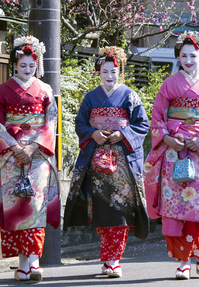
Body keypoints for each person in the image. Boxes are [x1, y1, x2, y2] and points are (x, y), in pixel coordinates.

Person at [143, 31, 199, 280]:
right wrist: (167, 138)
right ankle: (182, 261)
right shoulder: (169, 84)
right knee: (175, 207)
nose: (189, 60)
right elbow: (157, 116)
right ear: (178, 57)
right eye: (184, 56)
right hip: (175, 151)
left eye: (193, 55)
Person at [0, 36, 59, 282]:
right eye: (23, 66)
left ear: (37, 65)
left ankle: (33, 262)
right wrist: (14, 147)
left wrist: (33, 146)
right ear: (15, 64)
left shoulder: (45, 90)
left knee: (36, 206)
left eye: (31, 66)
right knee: (15, 208)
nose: (27, 70)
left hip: (37, 156)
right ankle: (22, 264)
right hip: (12, 155)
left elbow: (51, 122)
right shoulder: (3, 90)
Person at [63, 46, 150, 278]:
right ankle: (108, 257)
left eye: (113, 71)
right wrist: (92, 133)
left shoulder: (130, 96)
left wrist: (123, 134)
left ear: (120, 71)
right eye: (105, 71)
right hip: (98, 163)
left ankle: (114, 260)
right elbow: (80, 123)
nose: (109, 76)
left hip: (121, 161)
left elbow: (142, 124)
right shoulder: (91, 97)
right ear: (98, 72)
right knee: (100, 210)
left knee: (120, 210)